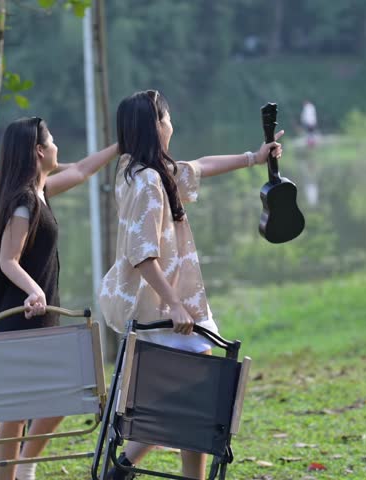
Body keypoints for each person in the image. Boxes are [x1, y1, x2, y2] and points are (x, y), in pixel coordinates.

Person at [98, 90, 283, 480]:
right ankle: (130, 466)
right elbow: (142, 253)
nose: (171, 123)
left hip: (161, 305)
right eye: (166, 116)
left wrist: (254, 157)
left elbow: (200, 165)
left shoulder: (138, 171)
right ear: (156, 125)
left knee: (185, 398)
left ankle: (125, 466)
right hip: (165, 310)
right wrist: (175, 304)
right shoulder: (149, 181)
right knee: (195, 398)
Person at [0, 116, 118, 480]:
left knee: (69, 388)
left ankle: (25, 464)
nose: (58, 147)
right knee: (14, 412)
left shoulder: (39, 192)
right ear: (39, 151)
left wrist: (120, 146)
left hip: (39, 316)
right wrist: (34, 289)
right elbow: (7, 260)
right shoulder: (23, 202)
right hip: (19, 317)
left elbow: (81, 171)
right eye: (53, 141)